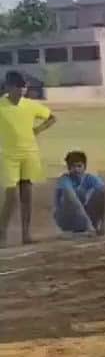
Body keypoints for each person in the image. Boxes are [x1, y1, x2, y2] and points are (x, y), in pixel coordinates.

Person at [1, 71, 57, 246]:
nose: (22, 90)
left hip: (29, 154)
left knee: (27, 194)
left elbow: (52, 118)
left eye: (24, 87)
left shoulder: (31, 105)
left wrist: (37, 130)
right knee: (11, 196)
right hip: (8, 156)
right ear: (9, 87)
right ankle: (2, 232)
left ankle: (26, 234)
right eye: (19, 87)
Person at [53, 151, 105, 237]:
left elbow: (103, 191)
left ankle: (95, 226)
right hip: (66, 219)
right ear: (68, 168)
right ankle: (85, 228)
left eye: (79, 166)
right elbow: (73, 200)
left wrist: (103, 224)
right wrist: (88, 224)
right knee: (73, 194)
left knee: (101, 191)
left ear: (85, 167)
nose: (76, 169)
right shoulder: (64, 179)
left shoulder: (90, 178)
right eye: (73, 166)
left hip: (83, 218)